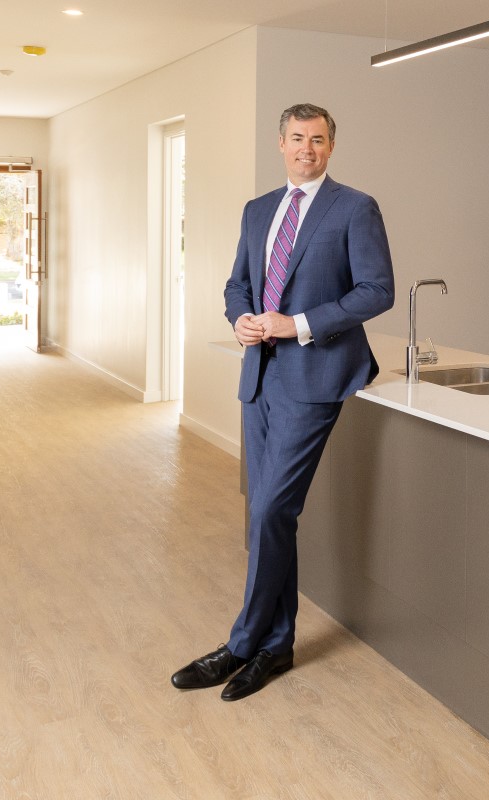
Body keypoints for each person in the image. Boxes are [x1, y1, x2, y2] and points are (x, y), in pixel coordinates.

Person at [171, 103, 395, 701]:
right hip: (259, 375)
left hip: (315, 375)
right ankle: (278, 646)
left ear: (331, 147)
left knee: (271, 509)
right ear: (281, 143)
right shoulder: (258, 210)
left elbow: (378, 290)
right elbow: (238, 284)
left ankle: (242, 643)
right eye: (297, 138)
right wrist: (241, 318)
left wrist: (297, 324)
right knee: (268, 515)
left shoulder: (355, 207)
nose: (307, 149)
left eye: (318, 140)